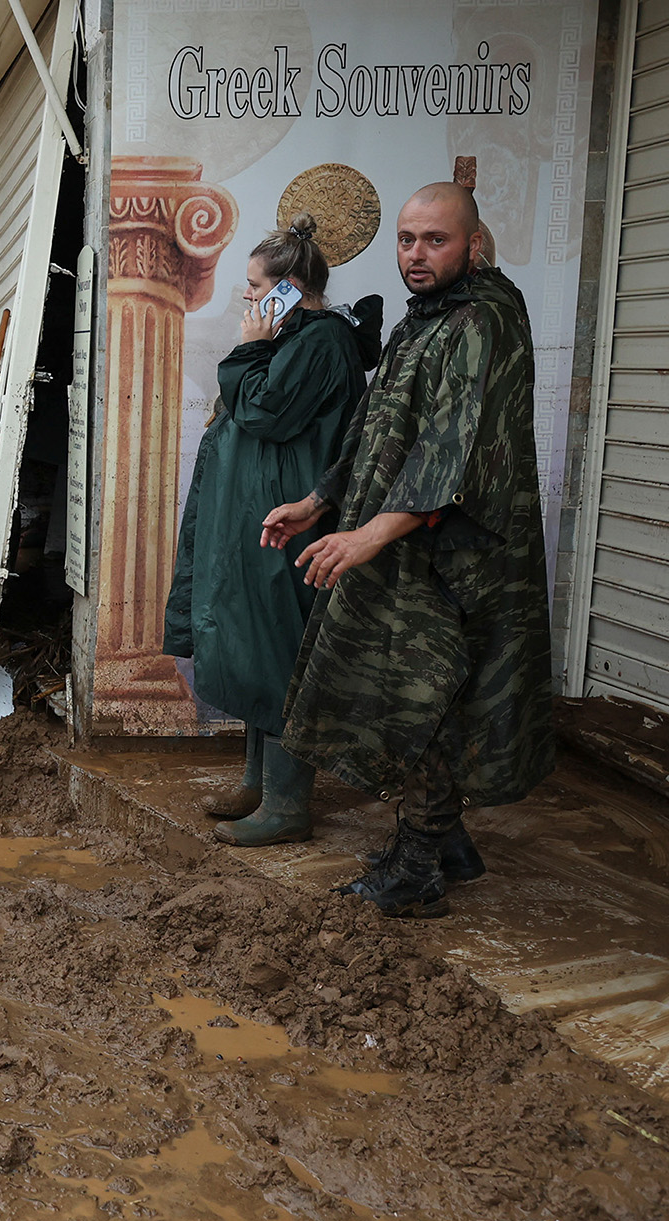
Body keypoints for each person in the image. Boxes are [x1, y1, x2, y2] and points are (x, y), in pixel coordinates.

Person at [262, 182, 555, 918]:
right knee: (419, 691)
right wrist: (319, 501)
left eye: (435, 241)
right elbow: (375, 420)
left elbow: (448, 452)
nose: (416, 256)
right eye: (406, 240)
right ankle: (445, 840)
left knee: (429, 699)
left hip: (456, 558)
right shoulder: (427, 316)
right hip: (406, 544)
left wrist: (366, 534)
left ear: (474, 245)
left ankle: (419, 868)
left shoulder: (485, 321)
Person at [165, 214, 380, 847]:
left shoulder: (320, 341)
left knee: (281, 653)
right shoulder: (297, 337)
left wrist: (253, 344)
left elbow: (263, 410)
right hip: (263, 527)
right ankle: (260, 783)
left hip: (291, 530)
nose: (250, 299)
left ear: (288, 285)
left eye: (257, 287)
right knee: (257, 650)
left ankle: (287, 804)